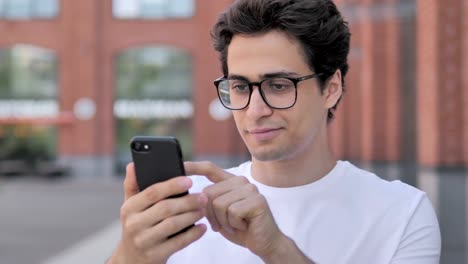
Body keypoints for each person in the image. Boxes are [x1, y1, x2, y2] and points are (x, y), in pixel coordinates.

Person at [108, 0, 441, 263]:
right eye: (239, 87)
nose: (255, 110)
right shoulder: (185, 204)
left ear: (331, 88)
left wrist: (277, 250)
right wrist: (129, 257)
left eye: (278, 85)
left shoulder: (400, 213)